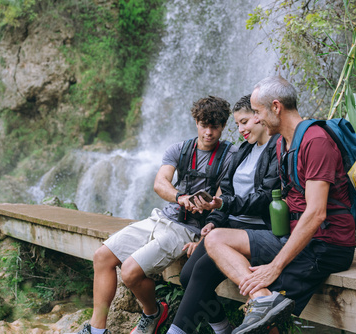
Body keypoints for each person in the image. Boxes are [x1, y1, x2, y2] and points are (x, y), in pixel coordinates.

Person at [73, 96, 238, 334]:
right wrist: (180, 197)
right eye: (204, 125)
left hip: (187, 230)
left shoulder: (230, 156)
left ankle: (153, 313)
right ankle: (97, 330)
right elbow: (160, 182)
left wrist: (204, 239)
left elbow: (223, 201)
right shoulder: (180, 149)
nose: (209, 132)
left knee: (129, 272)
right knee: (101, 257)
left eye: (215, 127)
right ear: (196, 121)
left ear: (223, 126)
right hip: (161, 218)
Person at [205, 76, 356, 334]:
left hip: (325, 244)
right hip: (294, 237)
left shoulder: (315, 141)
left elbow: (317, 213)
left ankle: (265, 305)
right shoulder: (284, 145)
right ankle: (264, 300)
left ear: (276, 107)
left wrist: (275, 266)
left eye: (257, 111)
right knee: (216, 239)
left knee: (266, 326)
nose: (256, 119)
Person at [166, 94, 280, 334]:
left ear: (260, 118)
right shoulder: (243, 151)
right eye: (237, 124)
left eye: (245, 122)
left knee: (202, 271)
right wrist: (213, 221)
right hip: (230, 227)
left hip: (257, 230)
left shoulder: (276, 149)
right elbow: (226, 192)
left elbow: (265, 198)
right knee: (187, 276)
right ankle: (222, 328)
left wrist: (222, 207)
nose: (240, 129)